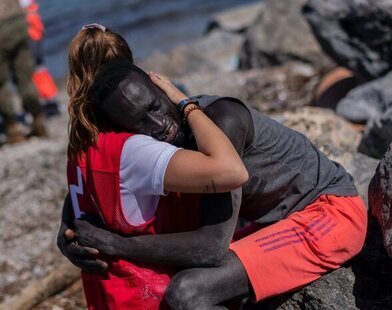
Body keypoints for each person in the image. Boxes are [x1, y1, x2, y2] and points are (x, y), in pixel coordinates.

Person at [58, 25, 368, 309]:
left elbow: (211, 248)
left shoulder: (222, 120)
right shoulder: (152, 139)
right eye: (140, 123)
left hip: (327, 214)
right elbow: (93, 178)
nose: (158, 126)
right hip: (279, 221)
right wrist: (69, 231)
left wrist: (118, 245)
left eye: (156, 107)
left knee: (188, 291)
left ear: (164, 89)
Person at [64, 25, 248, 309]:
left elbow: (81, 201)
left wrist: (66, 235)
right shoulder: (134, 149)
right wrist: (185, 104)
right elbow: (230, 173)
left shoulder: (82, 141)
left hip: (108, 295)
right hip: (149, 293)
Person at [0, 0, 47, 143]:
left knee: (1, 84)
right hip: (17, 19)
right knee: (25, 77)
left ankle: (13, 128)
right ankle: (38, 119)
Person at [19, 0, 60, 117]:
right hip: (31, 27)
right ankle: (49, 101)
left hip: (29, 29)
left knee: (35, 69)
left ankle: (49, 102)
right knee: (37, 68)